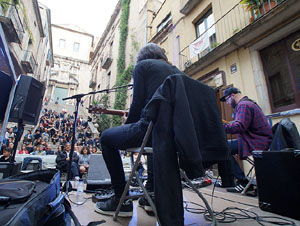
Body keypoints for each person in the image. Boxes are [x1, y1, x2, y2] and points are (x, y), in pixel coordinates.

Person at [95, 43, 182, 217]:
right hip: (173, 137)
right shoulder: (177, 72)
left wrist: (128, 124)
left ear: (143, 57)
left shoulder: (143, 66)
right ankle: (151, 195)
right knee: (152, 141)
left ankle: (122, 198)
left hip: (149, 131)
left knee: (105, 138)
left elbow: (137, 102)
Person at [220, 87, 272, 193]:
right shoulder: (249, 103)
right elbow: (242, 124)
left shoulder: (243, 105)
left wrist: (218, 127)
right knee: (225, 147)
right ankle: (239, 181)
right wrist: (228, 124)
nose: (227, 103)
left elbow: (239, 126)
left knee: (222, 149)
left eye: (227, 100)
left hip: (256, 142)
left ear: (233, 95)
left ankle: (242, 182)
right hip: (258, 140)